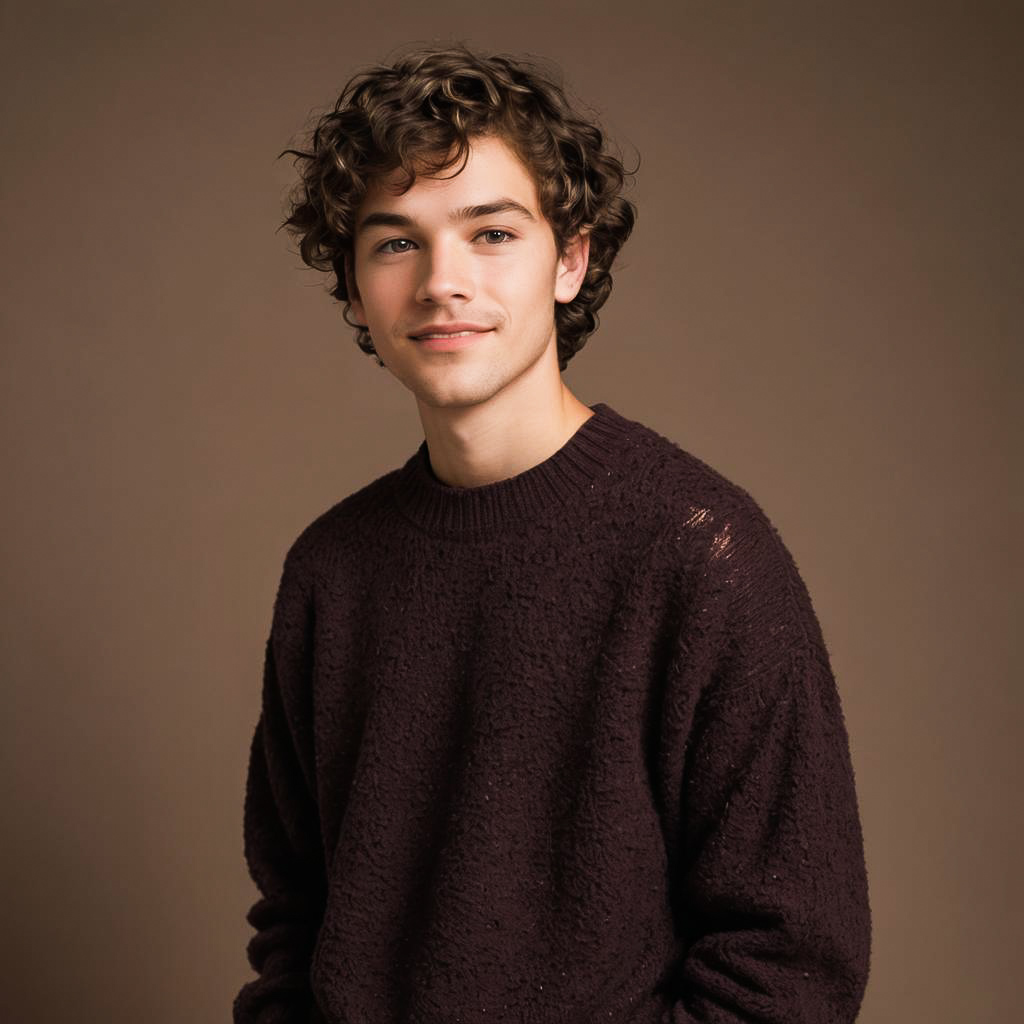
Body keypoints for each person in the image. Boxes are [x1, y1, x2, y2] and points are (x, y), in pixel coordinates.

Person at [233, 43, 872, 1024]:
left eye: (490, 234)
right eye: (396, 241)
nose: (444, 282)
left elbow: (790, 969)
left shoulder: (699, 554)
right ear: (356, 290)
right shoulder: (333, 568)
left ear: (568, 259)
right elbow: (296, 924)